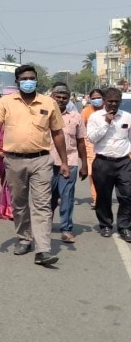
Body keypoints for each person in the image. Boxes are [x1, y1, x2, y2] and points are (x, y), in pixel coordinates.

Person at [0, 65, 69, 266]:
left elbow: (57, 133)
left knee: (41, 205)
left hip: (41, 160)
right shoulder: (6, 102)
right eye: (24, 78)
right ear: (17, 82)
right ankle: (24, 238)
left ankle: (43, 249)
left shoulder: (48, 102)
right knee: (19, 203)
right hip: (13, 160)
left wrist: (64, 162)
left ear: (37, 80)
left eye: (32, 78)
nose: (29, 81)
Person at [85, 87, 131, 242]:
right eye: (110, 101)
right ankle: (105, 224)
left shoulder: (127, 117)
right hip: (103, 162)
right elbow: (92, 138)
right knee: (103, 196)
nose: (113, 104)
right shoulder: (95, 117)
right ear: (104, 101)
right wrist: (106, 123)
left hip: (123, 162)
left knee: (127, 195)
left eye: (116, 101)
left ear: (120, 102)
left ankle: (124, 226)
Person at [48, 82, 88, 243]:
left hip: (70, 162)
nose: (61, 100)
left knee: (67, 197)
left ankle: (66, 229)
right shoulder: (45, 115)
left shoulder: (75, 117)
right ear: (52, 97)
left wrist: (84, 164)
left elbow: (81, 142)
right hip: (47, 162)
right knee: (47, 197)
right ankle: (45, 223)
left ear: (69, 99)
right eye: (58, 97)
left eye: (64, 98)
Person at [81, 88, 104, 209]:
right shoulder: (86, 111)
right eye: (94, 98)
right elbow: (81, 129)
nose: (96, 100)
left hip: (106, 145)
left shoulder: (108, 110)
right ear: (90, 99)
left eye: (99, 97)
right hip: (90, 145)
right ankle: (96, 198)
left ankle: (104, 197)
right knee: (92, 173)